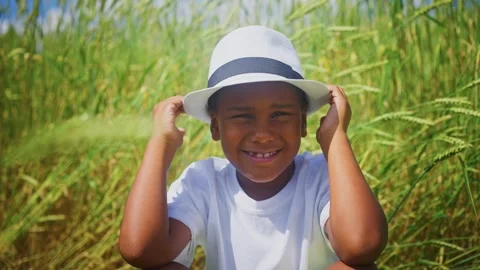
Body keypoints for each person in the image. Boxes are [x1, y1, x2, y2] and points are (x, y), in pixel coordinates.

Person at [119, 26, 388, 270]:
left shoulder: (320, 176)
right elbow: (141, 251)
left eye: (279, 114)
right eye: (242, 116)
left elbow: (362, 244)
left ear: (302, 122)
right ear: (215, 127)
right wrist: (160, 145)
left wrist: (335, 137)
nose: (262, 135)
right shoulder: (204, 182)